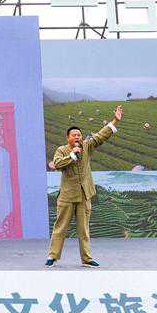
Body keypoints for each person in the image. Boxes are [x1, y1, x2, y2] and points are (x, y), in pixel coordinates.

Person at [47, 104, 123, 268]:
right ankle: (53, 256)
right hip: (67, 196)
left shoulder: (87, 146)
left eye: (79, 135)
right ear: (68, 137)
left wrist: (115, 121)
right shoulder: (61, 150)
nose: (77, 137)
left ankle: (87, 258)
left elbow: (100, 136)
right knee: (60, 227)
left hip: (84, 195)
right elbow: (58, 164)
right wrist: (72, 155)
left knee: (84, 229)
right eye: (74, 135)